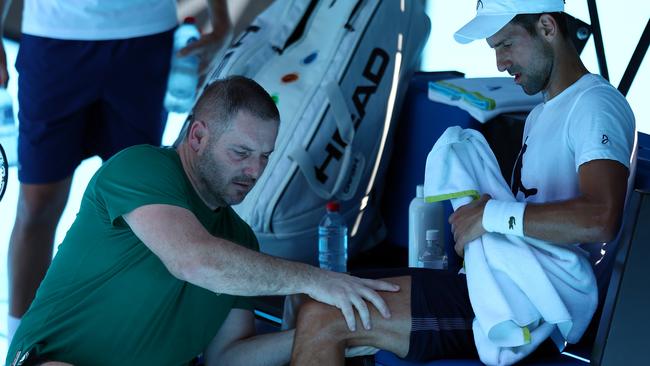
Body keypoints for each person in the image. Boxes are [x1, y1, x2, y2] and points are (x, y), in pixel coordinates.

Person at [289, 0, 636, 364]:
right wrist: (483, 227)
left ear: (548, 28)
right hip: (503, 284)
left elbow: (601, 217)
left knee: (324, 317)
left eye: (506, 44)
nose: (500, 63)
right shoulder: (541, 115)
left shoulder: (595, 105)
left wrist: (488, 217)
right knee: (311, 298)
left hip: (540, 305)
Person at [5, 76, 399, 366]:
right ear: (197, 137)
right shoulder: (141, 168)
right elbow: (193, 259)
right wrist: (316, 279)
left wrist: (329, 334)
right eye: (241, 152)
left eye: (265, 156)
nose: (255, 170)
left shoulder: (239, 242)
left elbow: (226, 357)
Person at [0, 0, 232, 342]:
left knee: (139, 209)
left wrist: (222, 19)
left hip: (144, 37)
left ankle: (127, 346)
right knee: (37, 204)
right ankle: (22, 349)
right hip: (54, 37)